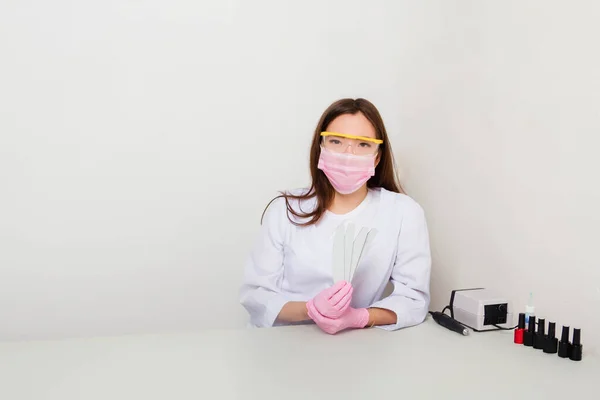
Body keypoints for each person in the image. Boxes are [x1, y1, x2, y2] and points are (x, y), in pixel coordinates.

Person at [239, 98, 431, 334]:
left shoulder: (403, 212)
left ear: (378, 156)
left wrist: (359, 317)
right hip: (284, 343)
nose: (348, 154)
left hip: (356, 344)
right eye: (336, 141)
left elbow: (413, 299)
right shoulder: (285, 210)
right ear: (321, 147)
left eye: (363, 144)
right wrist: (310, 309)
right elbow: (256, 296)